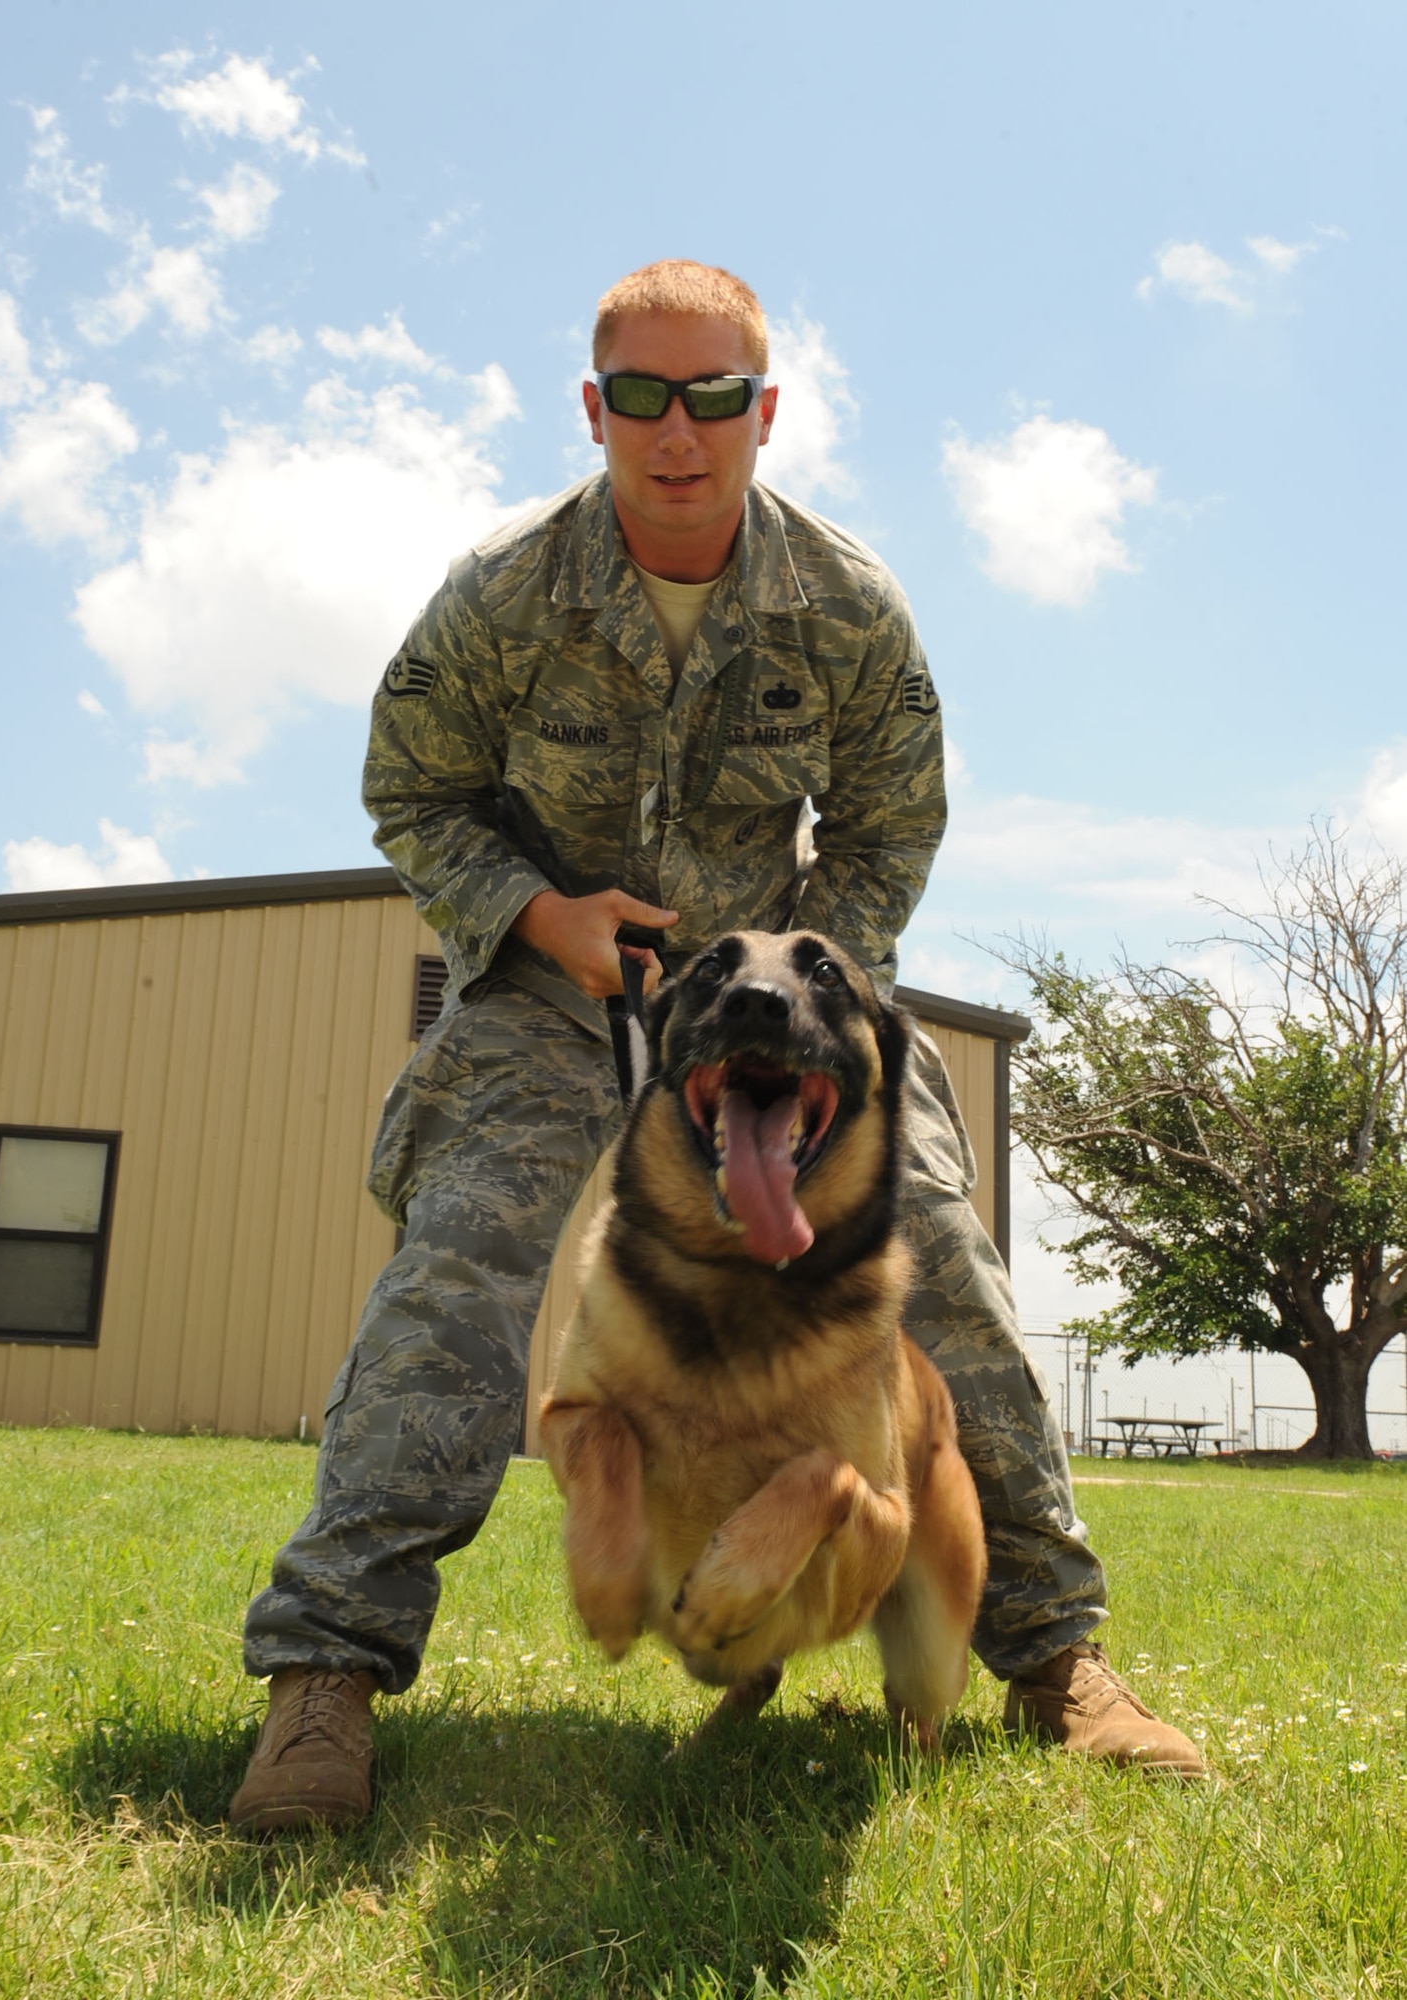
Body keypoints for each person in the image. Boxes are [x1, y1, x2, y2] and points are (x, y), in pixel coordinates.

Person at [230, 261, 1203, 1831]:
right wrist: (536, 913)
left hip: (780, 1017)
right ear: (592, 406)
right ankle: (322, 1681)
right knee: (452, 1286)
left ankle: (1055, 1661)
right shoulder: (498, 593)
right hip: (562, 996)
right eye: (637, 396)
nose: (674, 432)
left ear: (764, 412)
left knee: (943, 1261)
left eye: (711, 398)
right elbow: (412, 796)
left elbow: (889, 835)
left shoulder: (848, 606)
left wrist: (796, 994)